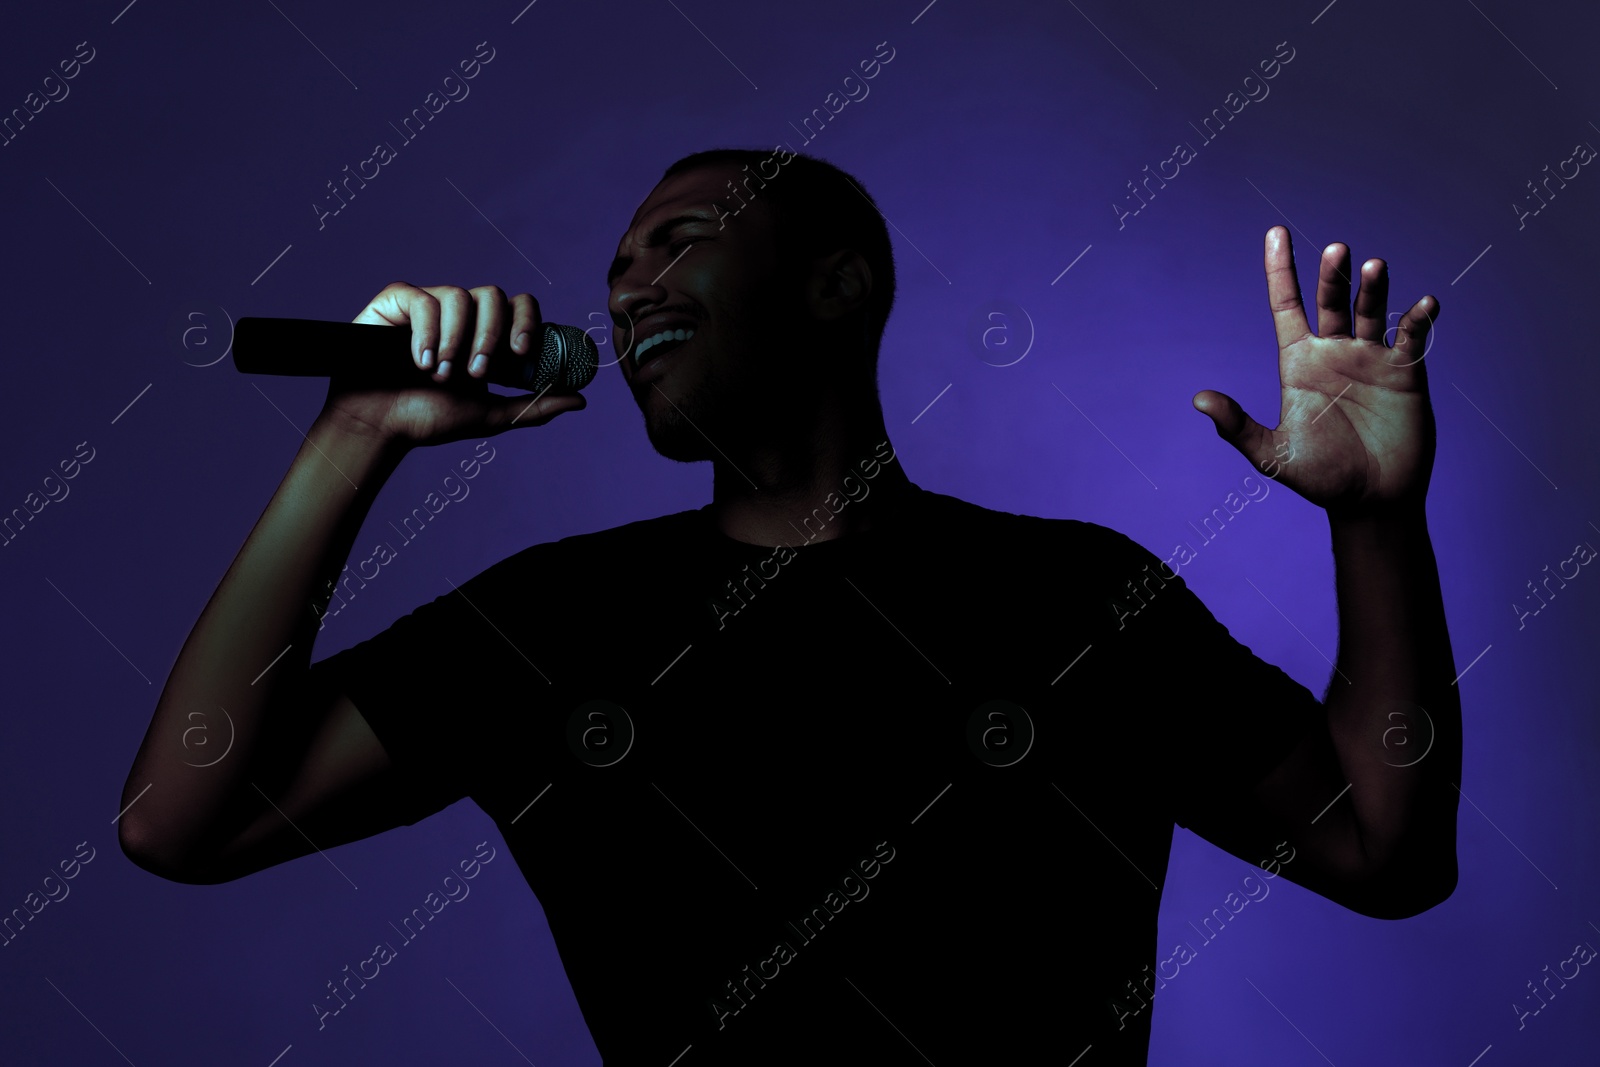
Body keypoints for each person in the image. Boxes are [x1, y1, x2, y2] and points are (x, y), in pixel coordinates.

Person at [120, 148, 1460, 1064]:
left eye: (682, 242)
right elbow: (185, 819)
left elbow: (1384, 855)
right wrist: (355, 433)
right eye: (620, 263)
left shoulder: (1074, 593)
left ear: (838, 284)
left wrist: (1377, 521)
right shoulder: (554, 621)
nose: (631, 282)